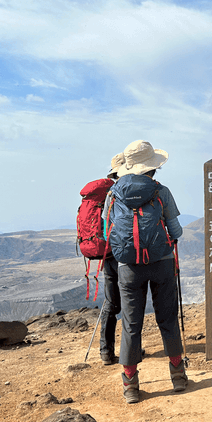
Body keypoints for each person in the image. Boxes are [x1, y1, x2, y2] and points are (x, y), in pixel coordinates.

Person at [104, 140, 187, 403]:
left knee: (131, 324)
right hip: (162, 262)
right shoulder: (161, 192)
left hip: (128, 267)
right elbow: (175, 231)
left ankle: (131, 386)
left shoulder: (113, 193)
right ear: (153, 167)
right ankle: (178, 376)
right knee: (167, 318)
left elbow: (108, 231)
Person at [97, 153, 125, 365]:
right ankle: (129, 351)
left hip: (109, 255)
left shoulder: (109, 194)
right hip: (127, 256)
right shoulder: (128, 194)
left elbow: (106, 230)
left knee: (110, 303)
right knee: (132, 302)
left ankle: (106, 352)